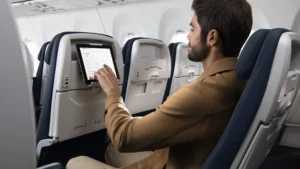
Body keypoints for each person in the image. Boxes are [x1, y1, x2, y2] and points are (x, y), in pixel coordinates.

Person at [66, 0, 253, 168]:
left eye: (193, 29)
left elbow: (123, 137)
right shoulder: (238, 80)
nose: (188, 36)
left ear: (212, 37)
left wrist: (113, 94)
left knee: (75, 162)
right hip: (183, 158)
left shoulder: (201, 94)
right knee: (112, 151)